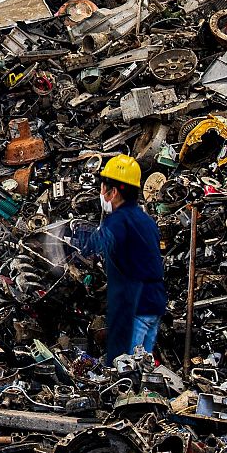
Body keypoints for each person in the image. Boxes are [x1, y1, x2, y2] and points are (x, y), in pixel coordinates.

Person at [73, 155, 168, 365]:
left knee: (123, 367)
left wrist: (71, 238)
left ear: (113, 191)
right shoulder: (146, 220)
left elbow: (92, 246)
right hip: (153, 301)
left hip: (133, 304)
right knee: (143, 363)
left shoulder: (118, 221)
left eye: (102, 188)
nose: (101, 193)